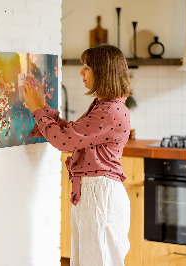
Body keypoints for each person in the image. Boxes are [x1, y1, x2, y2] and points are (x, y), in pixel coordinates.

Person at [20, 44, 132, 266]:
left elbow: (64, 141)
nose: (81, 72)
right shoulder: (105, 106)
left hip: (100, 195)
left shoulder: (109, 111)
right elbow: (72, 133)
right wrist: (42, 106)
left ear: (103, 72)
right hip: (95, 193)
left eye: (87, 67)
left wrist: (36, 109)